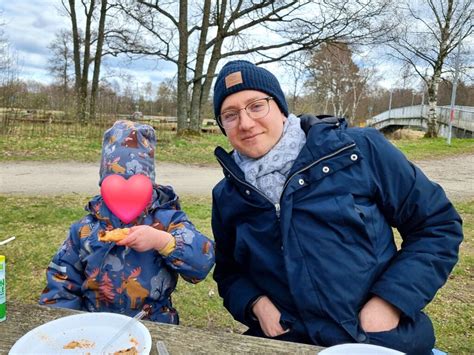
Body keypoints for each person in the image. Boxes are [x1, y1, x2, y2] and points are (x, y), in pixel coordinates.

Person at [211, 60, 463, 354]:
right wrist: (256, 303)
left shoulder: (357, 150)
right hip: (289, 343)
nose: (245, 122)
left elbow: (437, 225)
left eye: (256, 105)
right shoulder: (227, 194)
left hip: (377, 341)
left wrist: (390, 302)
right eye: (230, 114)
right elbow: (229, 273)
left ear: (280, 106)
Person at [39, 120, 215, 324]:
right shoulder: (85, 230)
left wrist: (162, 241)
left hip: (154, 323)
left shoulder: (167, 220)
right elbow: (62, 280)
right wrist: (64, 325)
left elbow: (202, 262)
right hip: (95, 325)